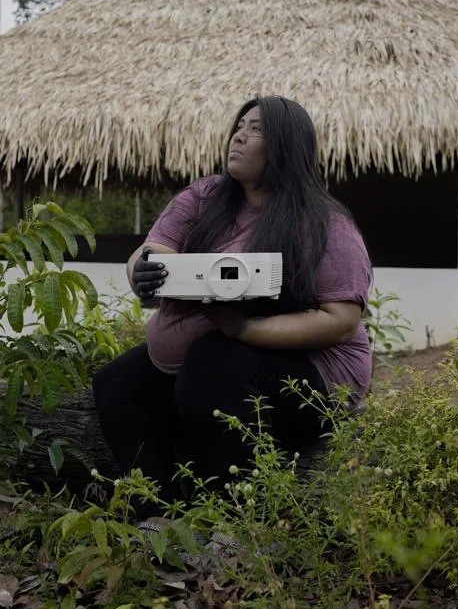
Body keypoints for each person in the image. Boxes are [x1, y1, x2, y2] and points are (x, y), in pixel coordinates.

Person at [91, 96, 374, 509]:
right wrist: (143, 272)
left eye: (257, 129)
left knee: (213, 363)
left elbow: (341, 320)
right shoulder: (205, 197)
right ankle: (161, 513)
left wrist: (241, 328)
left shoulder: (325, 224)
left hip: (318, 378)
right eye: (240, 125)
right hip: (217, 358)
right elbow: (152, 249)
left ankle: (243, 522)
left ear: (287, 145)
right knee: (118, 382)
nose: (239, 135)